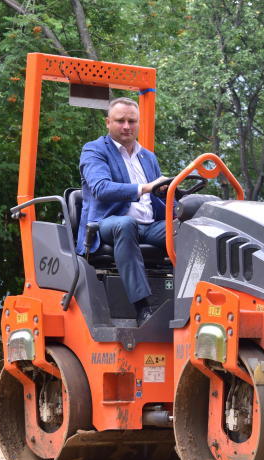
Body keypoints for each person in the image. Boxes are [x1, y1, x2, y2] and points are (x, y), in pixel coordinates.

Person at [77, 97, 172, 325]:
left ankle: (190, 300)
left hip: (149, 226)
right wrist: (145, 188)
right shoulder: (95, 150)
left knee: (185, 230)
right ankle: (143, 308)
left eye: (132, 121)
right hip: (107, 224)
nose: (127, 126)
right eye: (120, 121)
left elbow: (157, 199)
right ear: (108, 122)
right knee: (126, 225)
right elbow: (101, 188)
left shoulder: (148, 157)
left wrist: (173, 196)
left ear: (138, 123)